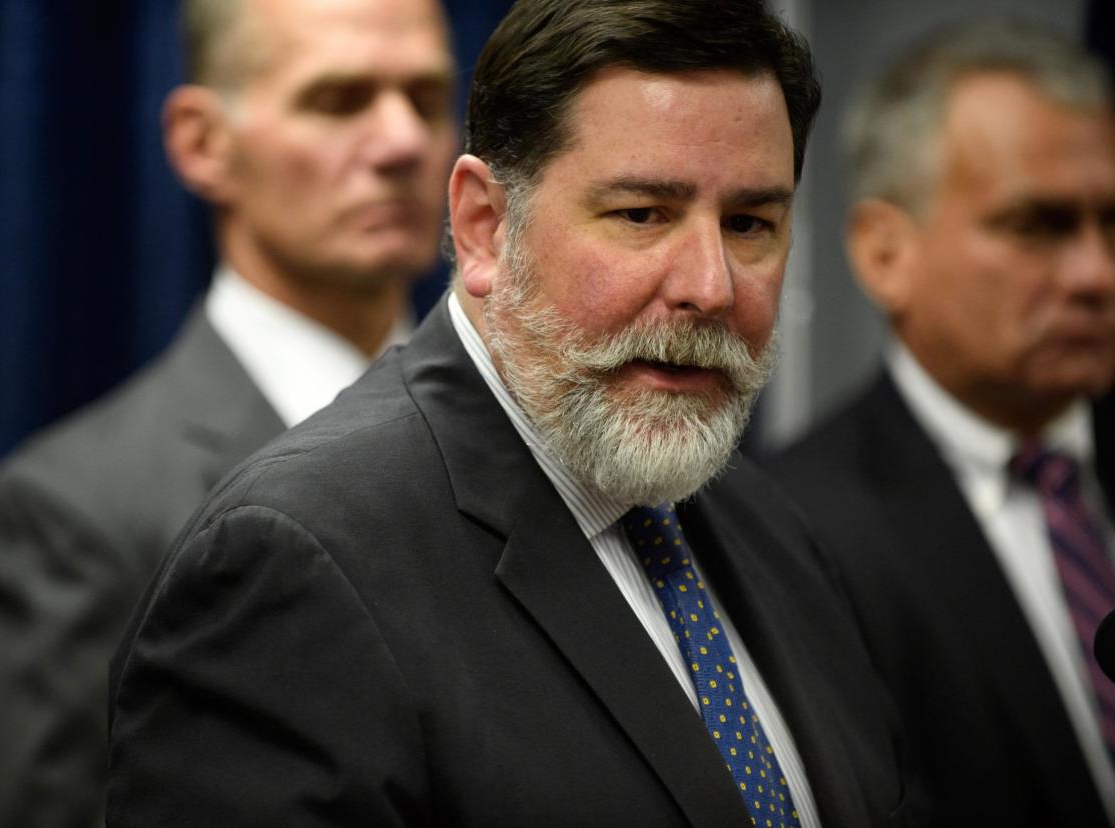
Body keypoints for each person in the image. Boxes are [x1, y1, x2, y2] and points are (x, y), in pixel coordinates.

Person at [106, 1, 920, 825]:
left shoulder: (764, 521)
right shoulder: (296, 563)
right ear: (485, 227)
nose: (709, 286)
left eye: (749, 224)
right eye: (642, 215)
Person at [0, 0, 457, 825]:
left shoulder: (534, 448)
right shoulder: (78, 513)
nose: (403, 142)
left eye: (428, 99)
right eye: (338, 100)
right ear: (201, 143)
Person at [768, 20, 1115, 826]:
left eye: (1111, 224)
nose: (1096, 274)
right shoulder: (793, 531)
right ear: (886, 252)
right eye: (1037, 225)